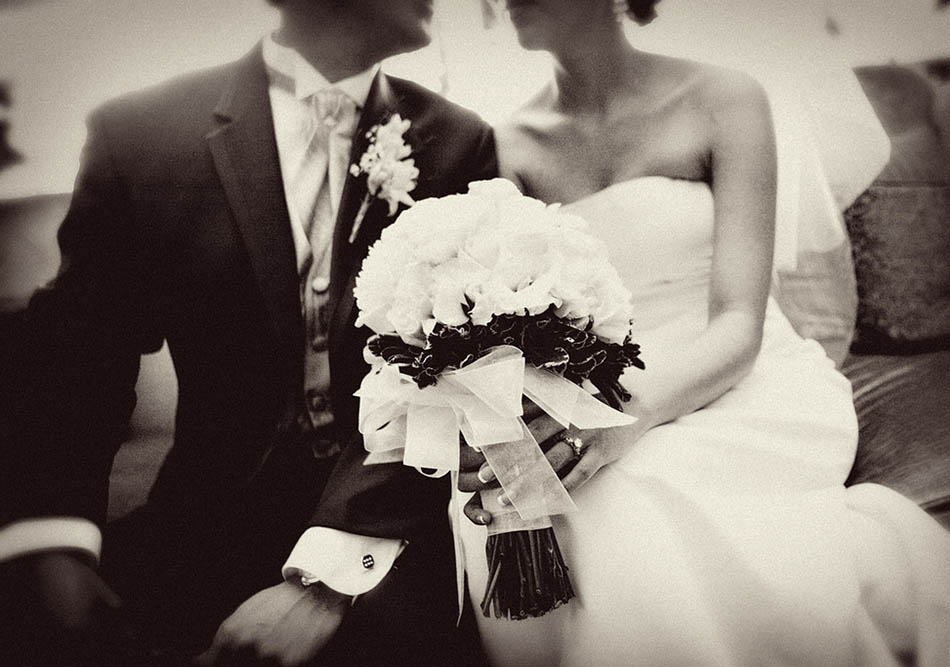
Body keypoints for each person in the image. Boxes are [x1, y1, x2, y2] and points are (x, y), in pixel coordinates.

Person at [0, 1, 496, 664]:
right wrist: (53, 542)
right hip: (203, 528)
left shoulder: (459, 140)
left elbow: (450, 373)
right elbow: (79, 352)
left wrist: (329, 578)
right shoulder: (141, 133)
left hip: (397, 531)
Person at [456, 1, 950, 664]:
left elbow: (739, 321)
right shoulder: (505, 144)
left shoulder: (725, 98)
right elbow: (508, 329)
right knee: (564, 510)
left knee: (636, 502)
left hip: (732, 377)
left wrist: (622, 422)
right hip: (587, 387)